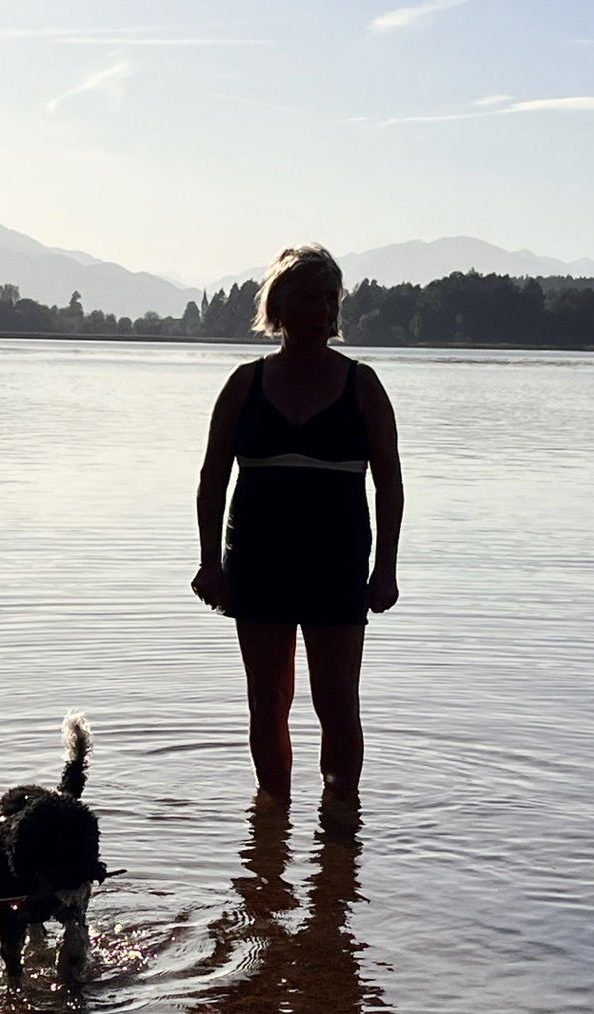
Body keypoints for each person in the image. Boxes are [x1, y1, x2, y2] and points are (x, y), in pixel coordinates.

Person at [191, 244, 403, 803]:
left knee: (337, 702)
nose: (319, 310)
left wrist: (386, 571)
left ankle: (339, 820)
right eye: (307, 298)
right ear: (278, 305)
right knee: (268, 698)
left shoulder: (363, 386)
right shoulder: (244, 384)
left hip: (337, 564)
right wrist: (209, 563)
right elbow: (212, 480)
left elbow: (390, 485)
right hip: (259, 561)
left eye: (329, 299)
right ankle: (274, 823)